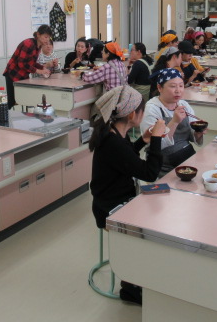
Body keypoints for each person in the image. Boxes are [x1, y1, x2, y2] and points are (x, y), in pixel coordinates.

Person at [89, 85, 165, 306]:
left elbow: (127, 157)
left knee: (159, 207)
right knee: (155, 223)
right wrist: (157, 139)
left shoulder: (114, 132)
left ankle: (138, 276)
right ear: (132, 114)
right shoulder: (113, 142)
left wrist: (144, 139)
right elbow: (149, 173)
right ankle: (130, 287)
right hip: (110, 209)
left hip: (114, 200)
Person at [141, 68, 204, 177]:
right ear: (159, 87)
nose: (178, 90)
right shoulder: (152, 109)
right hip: (164, 165)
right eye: (173, 86)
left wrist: (198, 133)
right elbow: (156, 145)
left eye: (181, 85)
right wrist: (174, 121)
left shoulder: (183, 105)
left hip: (187, 157)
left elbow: (192, 136)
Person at [3, 25, 53, 108]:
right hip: (13, 73)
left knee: (24, 100)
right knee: (12, 101)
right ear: (38, 35)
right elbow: (21, 64)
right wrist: (39, 71)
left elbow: (31, 62)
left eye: (49, 37)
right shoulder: (28, 43)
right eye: (45, 37)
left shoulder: (38, 46)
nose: (47, 40)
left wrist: (42, 68)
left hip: (23, 75)